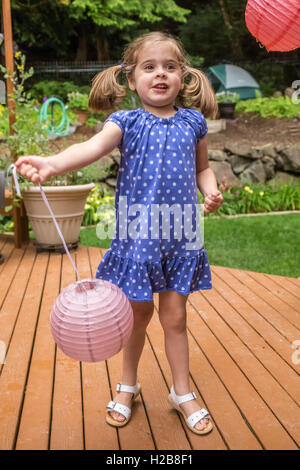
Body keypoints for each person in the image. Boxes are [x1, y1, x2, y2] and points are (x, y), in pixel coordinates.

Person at [15, 31, 223, 436]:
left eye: (170, 67)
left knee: (176, 317)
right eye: (149, 67)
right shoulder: (124, 122)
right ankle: (128, 385)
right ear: (131, 79)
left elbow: (202, 168)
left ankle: (182, 393)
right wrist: (53, 164)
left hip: (180, 234)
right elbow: (90, 148)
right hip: (138, 237)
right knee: (136, 316)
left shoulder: (194, 122)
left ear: (183, 77)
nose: (160, 74)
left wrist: (211, 190)